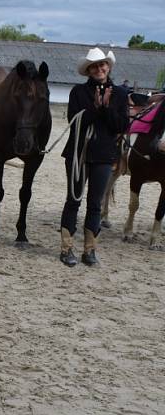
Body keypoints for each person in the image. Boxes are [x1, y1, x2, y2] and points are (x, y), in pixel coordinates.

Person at [59, 48, 128, 267]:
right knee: (73, 201)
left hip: (104, 155)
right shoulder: (78, 92)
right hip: (78, 153)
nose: (99, 69)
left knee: (95, 204)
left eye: (102, 65)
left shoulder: (120, 94)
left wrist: (106, 109)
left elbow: (121, 125)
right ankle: (66, 248)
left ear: (108, 67)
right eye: (94, 66)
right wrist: (96, 109)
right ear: (88, 70)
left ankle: (90, 250)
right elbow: (74, 120)